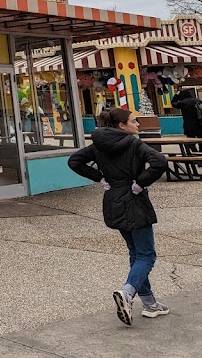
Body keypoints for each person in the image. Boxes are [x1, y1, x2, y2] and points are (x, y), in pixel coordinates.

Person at [68, 107, 169, 325]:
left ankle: (150, 304)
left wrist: (99, 178)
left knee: (136, 253)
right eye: (134, 121)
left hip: (114, 199)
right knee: (147, 255)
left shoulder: (97, 146)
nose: (138, 124)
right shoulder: (134, 143)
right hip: (134, 200)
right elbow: (160, 162)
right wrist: (140, 183)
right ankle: (127, 292)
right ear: (122, 126)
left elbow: (74, 161)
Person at [171, 88, 202, 153]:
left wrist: (176, 95)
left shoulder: (183, 103)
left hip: (189, 126)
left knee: (190, 142)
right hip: (200, 124)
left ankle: (195, 154)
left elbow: (173, 103)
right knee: (201, 143)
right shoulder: (198, 101)